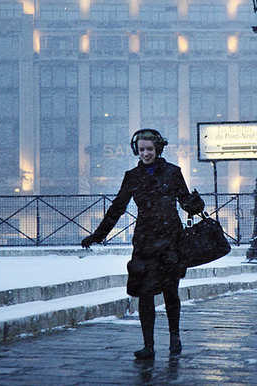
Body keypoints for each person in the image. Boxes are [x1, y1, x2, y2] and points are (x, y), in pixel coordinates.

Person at [81, 129, 204, 359]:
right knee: (145, 294)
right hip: (146, 241)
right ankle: (148, 345)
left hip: (170, 240)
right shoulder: (132, 176)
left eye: (149, 149)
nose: (146, 153)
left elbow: (186, 203)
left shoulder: (173, 172)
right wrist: (98, 235)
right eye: (142, 150)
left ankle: (174, 337)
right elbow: (117, 208)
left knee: (170, 292)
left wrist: (196, 203)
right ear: (136, 151)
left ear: (158, 149)